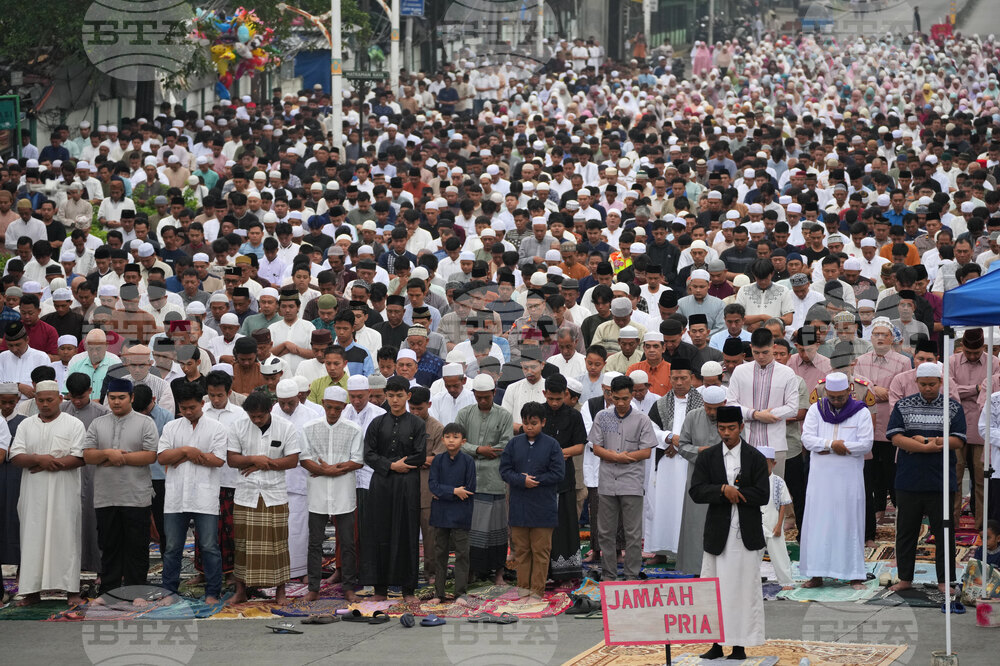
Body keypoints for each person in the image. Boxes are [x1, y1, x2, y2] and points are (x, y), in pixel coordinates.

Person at [689, 404, 769, 661]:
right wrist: (723, 490)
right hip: (718, 533)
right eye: (722, 428)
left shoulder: (755, 457)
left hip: (745, 533)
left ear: (741, 428)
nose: (726, 433)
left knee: (744, 590)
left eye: (731, 428)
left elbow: (763, 494)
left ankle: (739, 646)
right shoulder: (708, 457)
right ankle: (715, 643)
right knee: (714, 589)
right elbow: (697, 491)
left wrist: (739, 494)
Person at [886, 362, 964, 593]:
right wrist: (927, 446)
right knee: (907, 531)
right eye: (923, 384)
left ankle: (944, 580)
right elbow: (896, 438)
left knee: (944, 532)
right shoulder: (903, 405)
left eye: (932, 384)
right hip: (909, 479)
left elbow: (958, 440)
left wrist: (930, 443)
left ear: (941, 382)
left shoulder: (952, 407)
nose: (928, 388)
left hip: (940, 480)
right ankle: (905, 578)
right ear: (916, 383)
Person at [8, 381, 87, 606]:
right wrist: (38, 459)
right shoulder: (26, 425)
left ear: (60, 399)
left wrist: (48, 462)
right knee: (32, 539)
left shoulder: (74, 424)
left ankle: (71, 591)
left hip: (65, 492)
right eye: (40, 400)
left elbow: (80, 457)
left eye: (49, 400)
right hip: (33, 493)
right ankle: (31, 591)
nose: (44, 404)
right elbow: (16, 456)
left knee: (66, 538)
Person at [82, 377, 159, 597]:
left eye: (121, 398)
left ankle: (137, 592)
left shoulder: (145, 423)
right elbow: (88, 455)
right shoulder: (98, 423)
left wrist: (120, 459)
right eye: (112, 398)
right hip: (106, 496)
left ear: (132, 398)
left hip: (136, 496)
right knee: (109, 547)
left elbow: (150, 455)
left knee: (137, 547)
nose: (116, 402)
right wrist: (108, 453)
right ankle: (109, 591)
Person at [226, 391, 303, 605]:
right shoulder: (238, 426)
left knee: (277, 544)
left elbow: (293, 460)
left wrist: (265, 463)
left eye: (260, 416)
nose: (256, 420)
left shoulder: (285, 427)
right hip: (246, 494)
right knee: (243, 545)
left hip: (274, 494)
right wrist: (253, 459)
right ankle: (241, 591)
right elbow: (232, 459)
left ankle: (280, 592)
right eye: (253, 416)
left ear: (270, 410)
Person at [800, 372, 874, 590]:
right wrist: (833, 445)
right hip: (820, 478)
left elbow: (866, 444)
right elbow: (807, 439)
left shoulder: (860, 412)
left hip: (848, 479)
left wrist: (829, 447)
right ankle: (816, 574)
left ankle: (854, 575)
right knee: (818, 523)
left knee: (849, 522)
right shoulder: (816, 409)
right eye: (832, 397)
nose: (836, 402)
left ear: (848, 392)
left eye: (840, 397)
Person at [156, 382, 228, 604]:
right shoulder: (172, 427)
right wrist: (188, 451)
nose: (188, 412)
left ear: (202, 404)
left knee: (209, 546)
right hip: (176, 497)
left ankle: (213, 593)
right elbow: (162, 458)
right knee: (172, 547)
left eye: (192, 408)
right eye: (184, 408)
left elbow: (218, 460)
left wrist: (180, 455)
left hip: (205, 495)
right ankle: (169, 592)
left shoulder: (216, 428)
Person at [361, 376, 426, 602]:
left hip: (407, 484)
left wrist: (401, 465)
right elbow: (368, 454)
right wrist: (390, 465)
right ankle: (380, 589)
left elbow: (420, 455)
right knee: (379, 532)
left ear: (408, 396)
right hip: (382, 483)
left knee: (407, 531)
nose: (395, 400)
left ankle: (408, 590)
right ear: (385, 396)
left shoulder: (417, 424)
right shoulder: (377, 423)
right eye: (391, 396)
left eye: (399, 396)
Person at [590, 374, 658, 580]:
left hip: (631, 482)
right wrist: (614, 456)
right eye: (616, 398)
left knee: (633, 533)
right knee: (605, 532)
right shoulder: (602, 416)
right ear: (610, 395)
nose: (620, 403)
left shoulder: (642, 419)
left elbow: (646, 452)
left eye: (625, 399)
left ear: (632, 397)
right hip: (607, 481)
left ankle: (631, 575)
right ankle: (609, 575)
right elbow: (596, 447)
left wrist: (621, 458)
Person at [300, 386, 364, 603]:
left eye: (338, 408)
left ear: (344, 407)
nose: (333, 412)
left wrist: (328, 470)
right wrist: (328, 470)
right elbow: (304, 459)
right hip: (317, 493)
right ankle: (313, 588)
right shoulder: (309, 428)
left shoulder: (354, 428)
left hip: (343, 493)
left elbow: (357, 460)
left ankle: (348, 587)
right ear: (323, 405)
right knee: (314, 542)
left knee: (347, 542)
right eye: (329, 407)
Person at [499, 401, 564, 599]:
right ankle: (522, 591)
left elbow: (558, 473)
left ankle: (537, 593)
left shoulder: (552, 445)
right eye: (526, 423)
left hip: (543, 508)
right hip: (519, 507)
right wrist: (521, 480)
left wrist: (534, 480)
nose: (529, 427)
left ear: (543, 422)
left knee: (541, 552)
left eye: (534, 423)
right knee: (522, 552)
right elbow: (504, 470)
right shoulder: (513, 443)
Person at [455, 374, 513, 584]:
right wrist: (479, 449)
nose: (482, 401)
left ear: (494, 393)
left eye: (485, 397)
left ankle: (498, 572)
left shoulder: (504, 416)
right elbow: (457, 442)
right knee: (471, 530)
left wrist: (478, 450)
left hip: (494, 480)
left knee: (497, 529)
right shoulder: (464, 414)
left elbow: (506, 445)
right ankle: (470, 571)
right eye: (478, 397)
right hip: (468, 481)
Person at [646, 357, 703, 562]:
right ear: (670, 378)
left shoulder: (702, 404)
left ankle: (688, 552)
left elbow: (706, 431)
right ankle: (662, 551)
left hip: (691, 463)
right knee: (664, 505)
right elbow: (652, 429)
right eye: (675, 378)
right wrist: (669, 438)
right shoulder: (661, 403)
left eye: (683, 378)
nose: (679, 382)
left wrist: (681, 446)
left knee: (688, 506)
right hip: (667, 464)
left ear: (692, 378)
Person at [726, 327, 798, 475]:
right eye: (756, 353)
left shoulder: (787, 373)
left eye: (765, 352)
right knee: (746, 490)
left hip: (775, 445)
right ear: (751, 348)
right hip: (745, 443)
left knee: (774, 490)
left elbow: (792, 407)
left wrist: (769, 415)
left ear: (774, 347)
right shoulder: (740, 371)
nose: (761, 357)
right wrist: (755, 414)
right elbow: (731, 404)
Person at [541, 374, 586, 582]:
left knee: (565, 524)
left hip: (565, 477)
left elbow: (579, 446)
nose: (555, 403)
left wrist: (558, 452)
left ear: (565, 394)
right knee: (542, 526)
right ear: (544, 394)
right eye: (550, 399)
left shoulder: (573, 415)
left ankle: (567, 571)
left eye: (558, 399)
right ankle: (544, 571)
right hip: (541, 479)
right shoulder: (538, 412)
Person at [427, 422, 477, 604]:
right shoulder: (438, 460)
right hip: (441, 515)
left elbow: (470, 489)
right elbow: (433, 486)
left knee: (462, 554)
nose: (451, 441)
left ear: (463, 441)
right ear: (442, 439)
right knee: (440, 553)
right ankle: (438, 593)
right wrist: (455, 491)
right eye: (447, 437)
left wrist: (444, 493)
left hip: (461, 515)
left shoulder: (468, 461)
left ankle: (460, 593)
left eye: (455, 437)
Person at [758, 446, 794, 589]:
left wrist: (779, 525)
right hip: (757, 525)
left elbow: (783, 505)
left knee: (779, 554)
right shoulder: (752, 481)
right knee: (753, 556)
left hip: (773, 525)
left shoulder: (778, 482)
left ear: (773, 464)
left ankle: (786, 582)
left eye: (765, 463)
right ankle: (750, 581)